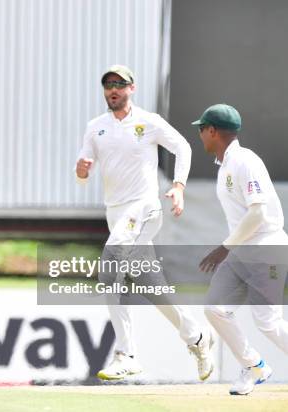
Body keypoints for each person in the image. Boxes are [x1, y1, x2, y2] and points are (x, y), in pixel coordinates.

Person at [75, 65, 213, 381]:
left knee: (110, 266)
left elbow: (183, 147)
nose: (113, 89)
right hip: (117, 214)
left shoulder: (148, 121)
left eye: (119, 84)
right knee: (154, 288)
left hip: (145, 209)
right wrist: (81, 172)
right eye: (108, 84)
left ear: (131, 88)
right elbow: (84, 171)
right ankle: (197, 338)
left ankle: (127, 354)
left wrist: (178, 186)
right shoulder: (95, 127)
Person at [195, 104, 288, 395]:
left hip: (267, 248)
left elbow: (258, 213)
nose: (200, 136)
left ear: (212, 131)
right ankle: (254, 365)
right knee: (215, 309)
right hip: (242, 252)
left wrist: (224, 247)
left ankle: (254, 367)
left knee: (268, 323)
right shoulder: (225, 165)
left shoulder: (245, 161)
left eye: (201, 130)